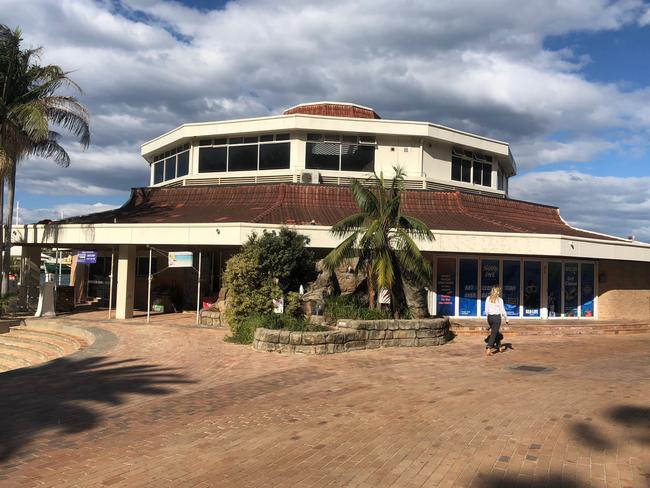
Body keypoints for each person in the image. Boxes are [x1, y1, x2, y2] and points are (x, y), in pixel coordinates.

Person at [484, 286, 508, 356]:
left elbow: (486, 310)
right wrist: (506, 318)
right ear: (498, 292)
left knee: (496, 332)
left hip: (490, 318)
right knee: (493, 333)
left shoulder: (488, 298)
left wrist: (488, 317)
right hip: (496, 318)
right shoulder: (500, 300)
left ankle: (499, 347)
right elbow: (503, 310)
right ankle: (488, 348)